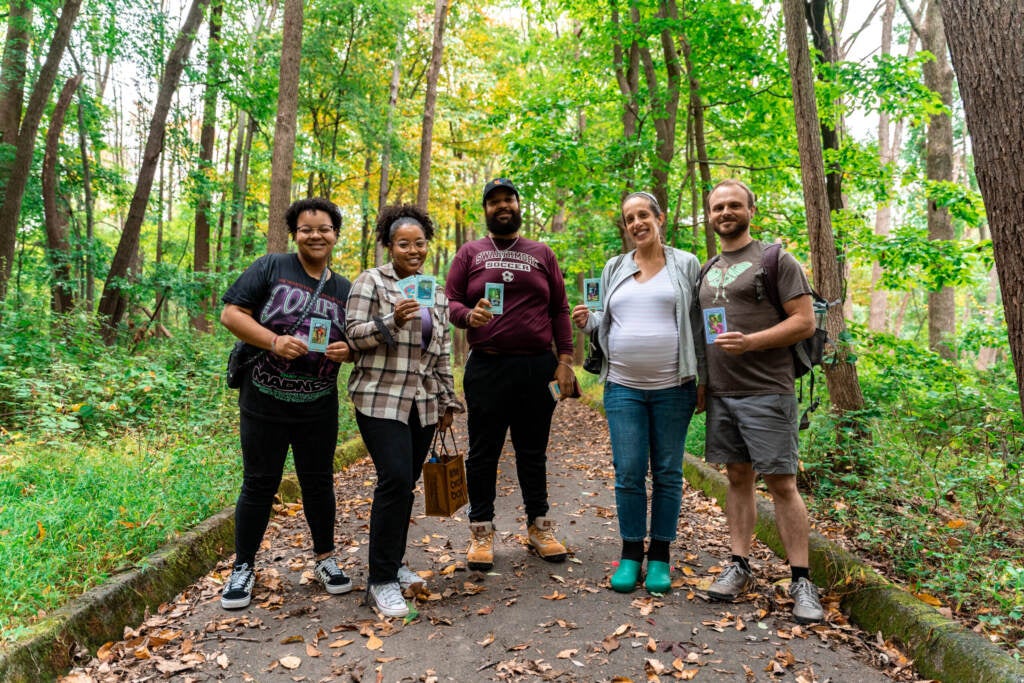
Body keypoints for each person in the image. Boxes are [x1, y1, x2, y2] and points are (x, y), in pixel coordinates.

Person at [697, 179, 825, 624]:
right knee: (737, 478)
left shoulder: (776, 259)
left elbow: (804, 322)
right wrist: (702, 382)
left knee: (782, 483)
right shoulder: (707, 268)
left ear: (751, 209)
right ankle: (739, 565)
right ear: (709, 216)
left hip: (768, 389)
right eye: (717, 207)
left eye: (734, 205)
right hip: (722, 392)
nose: (725, 212)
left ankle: (802, 580)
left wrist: (751, 343)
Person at [219, 198, 353, 610]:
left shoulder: (345, 289)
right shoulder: (271, 267)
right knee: (259, 483)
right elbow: (230, 314)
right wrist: (274, 340)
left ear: (335, 234)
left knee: (318, 483)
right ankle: (243, 566)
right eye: (306, 228)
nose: (316, 235)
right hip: (264, 400)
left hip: (317, 404)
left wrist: (348, 350)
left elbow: (360, 338)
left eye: (324, 228)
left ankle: (325, 559)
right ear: (294, 233)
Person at [571, 191, 703, 594]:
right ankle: (630, 554)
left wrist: (707, 381)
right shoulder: (615, 267)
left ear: (659, 218)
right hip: (622, 386)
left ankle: (660, 556)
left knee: (667, 473)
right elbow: (605, 319)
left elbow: (701, 322)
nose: (637, 223)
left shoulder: (686, 264)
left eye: (643, 215)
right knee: (629, 473)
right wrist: (587, 321)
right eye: (630, 219)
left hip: (674, 386)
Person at [446, 178, 575, 570]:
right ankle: (481, 530)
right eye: (494, 201)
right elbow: (450, 301)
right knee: (484, 452)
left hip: (537, 367)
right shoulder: (471, 253)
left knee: (532, 451)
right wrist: (469, 315)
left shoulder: (542, 253)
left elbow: (560, 309)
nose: (502, 206)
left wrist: (565, 359)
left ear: (519, 204)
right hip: (486, 364)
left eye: (508, 199)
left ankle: (539, 527)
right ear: (485, 210)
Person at [345, 204, 464, 618]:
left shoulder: (435, 291)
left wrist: (448, 401)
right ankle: (379, 582)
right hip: (380, 398)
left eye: (419, 243)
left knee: (406, 483)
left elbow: (442, 352)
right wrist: (390, 320)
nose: (413, 250)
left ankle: (394, 565)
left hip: (423, 403)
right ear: (389, 246)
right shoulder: (371, 281)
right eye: (403, 244)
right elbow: (353, 335)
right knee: (393, 479)